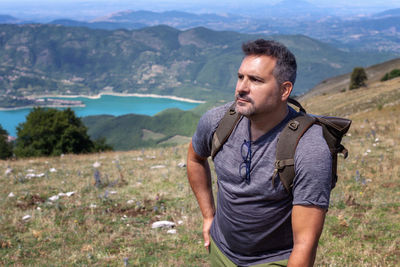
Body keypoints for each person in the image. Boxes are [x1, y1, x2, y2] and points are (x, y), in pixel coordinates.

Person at [187, 39, 332, 266]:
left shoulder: (309, 148)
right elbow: (195, 158)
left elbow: (305, 243)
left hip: (272, 260)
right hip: (220, 251)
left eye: (255, 80)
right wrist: (208, 217)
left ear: (285, 90)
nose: (241, 87)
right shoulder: (217, 121)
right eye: (240, 77)